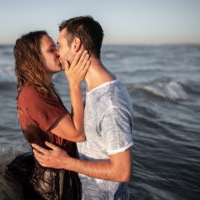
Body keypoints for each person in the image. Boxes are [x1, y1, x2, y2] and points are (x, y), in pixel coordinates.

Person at [32, 16, 134, 200]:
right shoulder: (94, 88)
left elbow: (122, 171)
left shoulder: (110, 103)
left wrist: (65, 162)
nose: (57, 53)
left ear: (76, 45)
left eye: (60, 45)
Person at [11, 30, 91, 200]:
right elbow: (77, 134)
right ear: (35, 58)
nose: (58, 53)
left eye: (57, 47)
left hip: (56, 177)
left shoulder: (43, 90)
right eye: (51, 49)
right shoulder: (32, 95)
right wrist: (74, 84)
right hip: (54, 190)